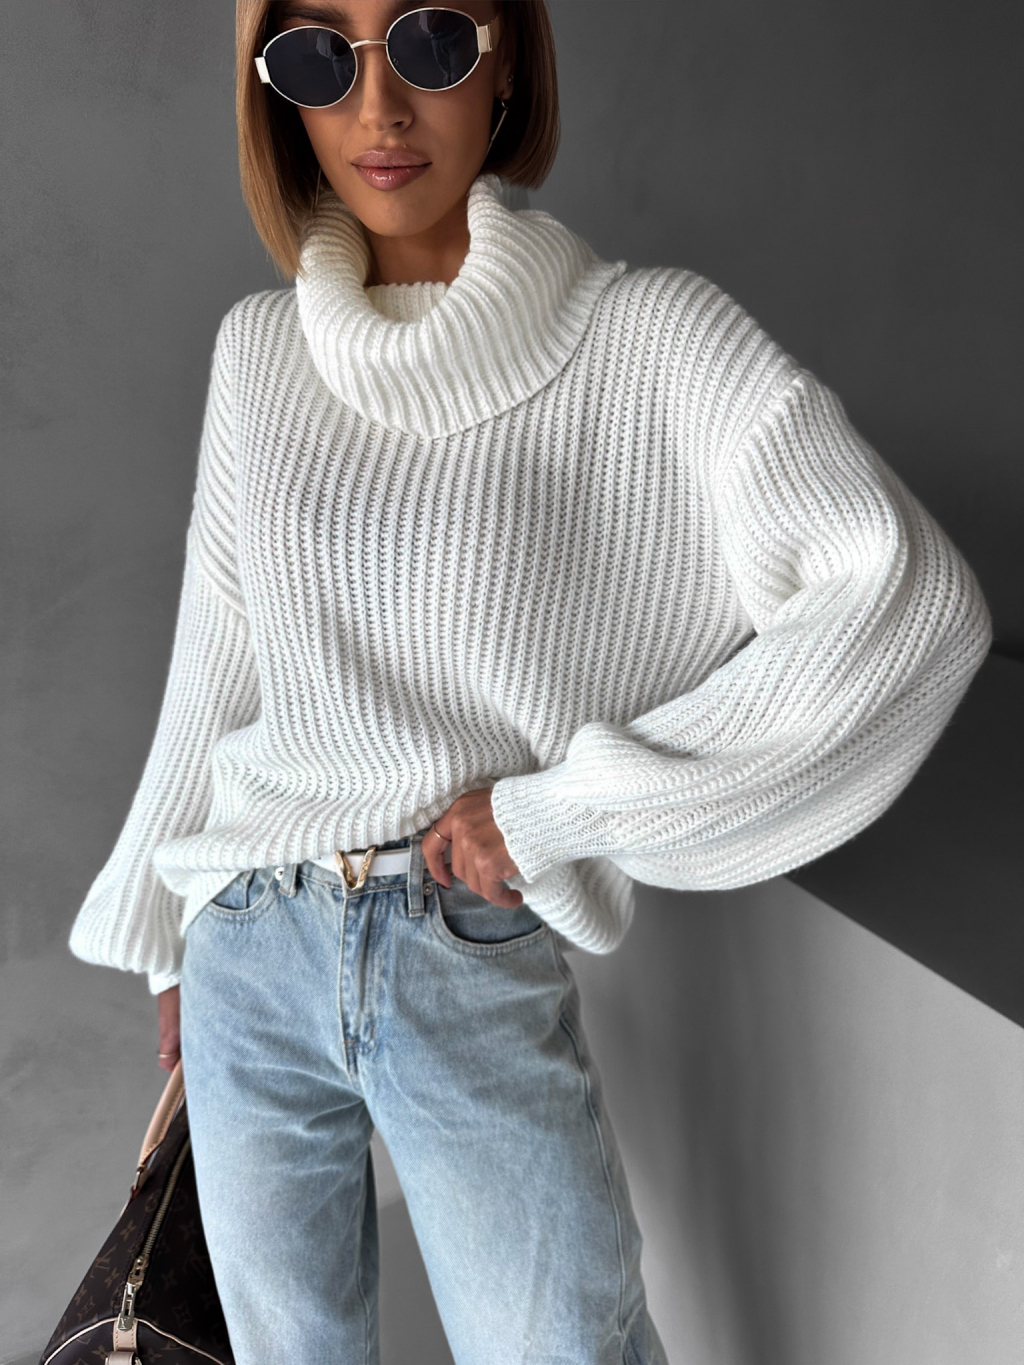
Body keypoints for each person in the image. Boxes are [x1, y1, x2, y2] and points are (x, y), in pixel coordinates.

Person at [67, 0, 992, 1360]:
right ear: (278, 97)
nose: (379, 107)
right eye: (321, 56)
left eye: (429, 38)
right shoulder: (260, 354)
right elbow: (224, 664)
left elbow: (908, 605)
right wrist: (170, 926)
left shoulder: (651, 342)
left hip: (454, 938)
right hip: (246, 947)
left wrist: (559, 813)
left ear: (506, 57)